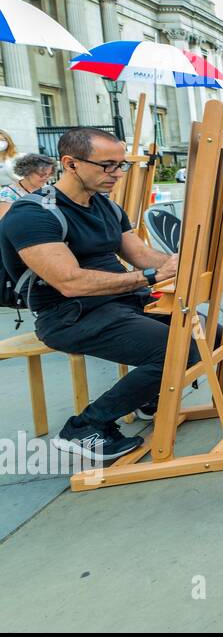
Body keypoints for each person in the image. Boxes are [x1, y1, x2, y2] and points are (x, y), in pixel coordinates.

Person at [0, 127, 184, 461]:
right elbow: (71, 282)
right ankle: (84, 427)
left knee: (205, 333)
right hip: (68, 316)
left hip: (118, 304)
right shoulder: (33, 213)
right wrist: (149, 277)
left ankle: (144, 396)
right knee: (173, 349)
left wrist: (184, 261)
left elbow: (143, 257)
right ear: (70, 164)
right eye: (107, 165)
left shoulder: (106, 206)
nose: (117, 174)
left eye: (121, 165)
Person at [0, 153, 57, 220]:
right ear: (27, 172)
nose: (46, 178)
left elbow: (52, 214)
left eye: (49, 175)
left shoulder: (48, 190)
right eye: (42, 174)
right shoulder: (7, 193)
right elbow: (5, 221)